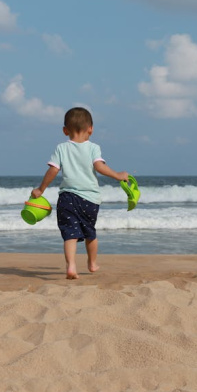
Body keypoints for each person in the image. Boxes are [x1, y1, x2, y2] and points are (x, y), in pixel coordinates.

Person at [31, 107, 129, 279]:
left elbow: (53, 170)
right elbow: (99, 167)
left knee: (70, 234)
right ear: (91, 129)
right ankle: (92, 263)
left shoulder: (61, 148)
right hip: (90, 199)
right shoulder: (93, 148)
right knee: (90, 233)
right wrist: (117, 175)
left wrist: (41, 189)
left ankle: (71, 266)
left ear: (65, 130)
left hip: (67, 198)